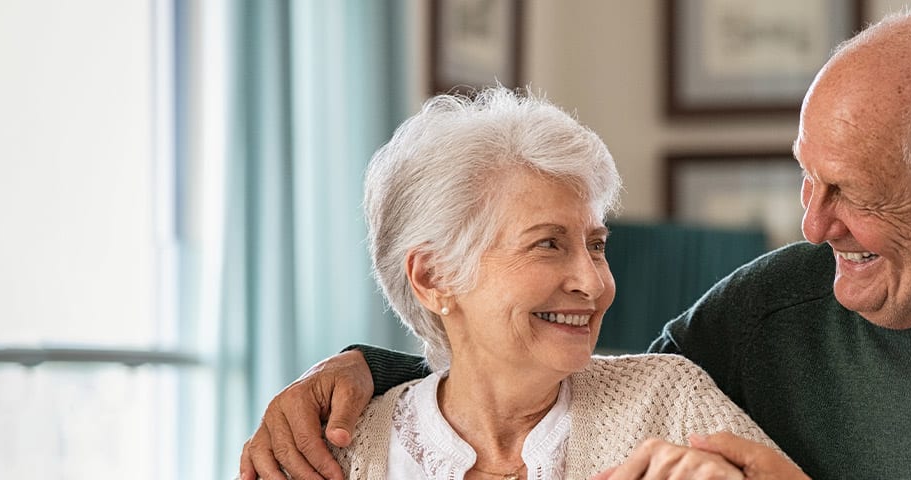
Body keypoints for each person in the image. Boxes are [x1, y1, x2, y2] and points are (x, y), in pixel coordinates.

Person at [242, 11, 911, 479]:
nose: (812, 226)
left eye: (853, 197)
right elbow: (584, 383)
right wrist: (370, 375)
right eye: (807, 176)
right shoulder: (776, 305)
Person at [253, 87, 783, 479]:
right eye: (548, 244)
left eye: (596, 245)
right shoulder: (336, 453)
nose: (592, 282)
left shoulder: (669, 400)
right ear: (433, 276)